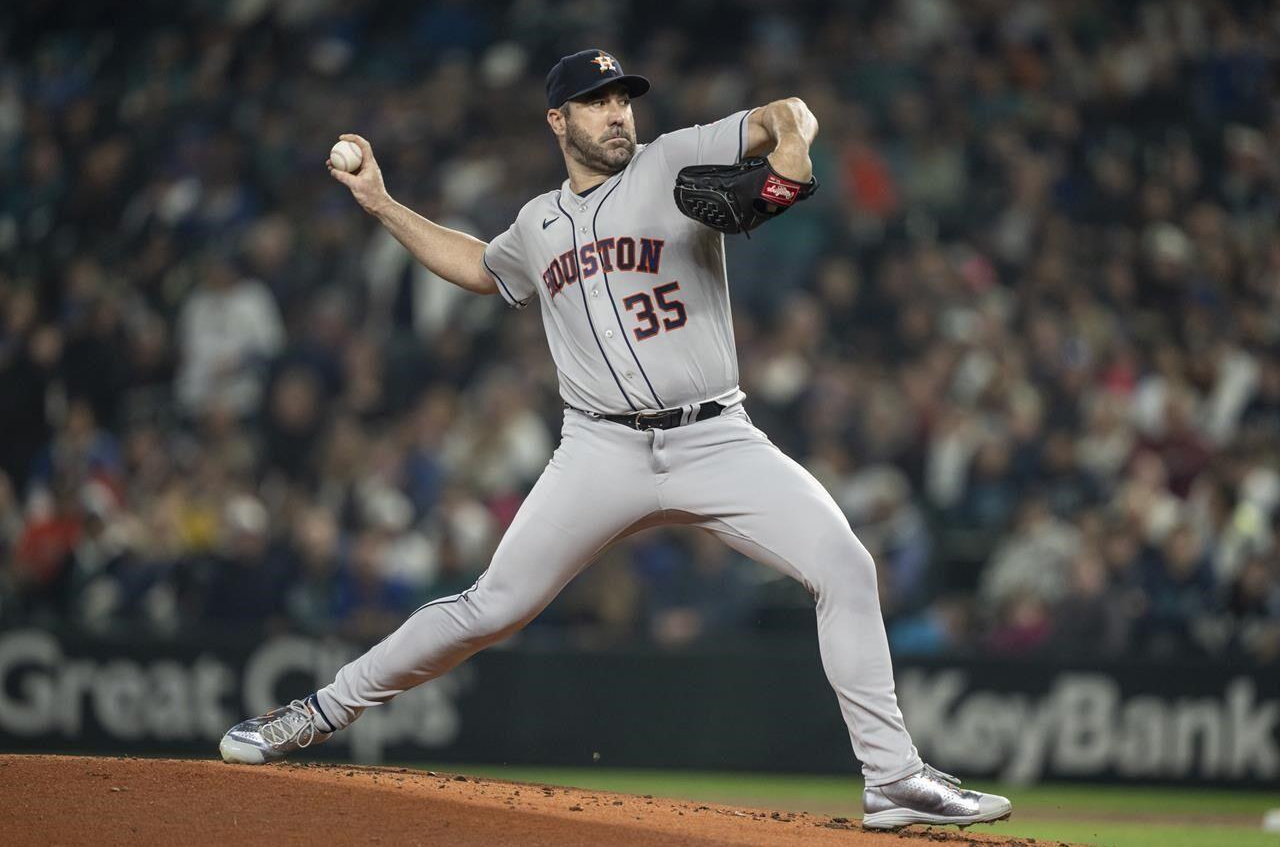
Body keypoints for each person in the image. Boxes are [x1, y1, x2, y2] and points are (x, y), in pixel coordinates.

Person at [219, 49, 1011, 831]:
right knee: (490, 605)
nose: (617, 112)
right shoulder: (536, 222)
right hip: (599, 452)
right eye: (597, 101)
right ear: (558, 120)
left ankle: (894, 779)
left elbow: (786, 115)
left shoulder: (673, 159)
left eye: (622, 97)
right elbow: (477, 266)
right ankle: (314, 712)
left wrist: (793, 150)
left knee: (845, 562)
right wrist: (384, 205)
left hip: (715, 437)